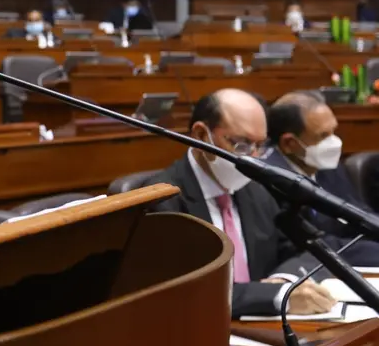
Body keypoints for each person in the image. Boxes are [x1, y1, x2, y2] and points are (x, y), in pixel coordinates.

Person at [144, 89, 336, 318]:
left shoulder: (256, 190)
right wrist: (275, 295)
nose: (252, 158)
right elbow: (182, 292)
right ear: (201, 135)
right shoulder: (162, 202)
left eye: (259, 146)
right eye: (242, 145)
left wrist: (284, 279)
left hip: (265, 331)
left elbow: (303, 251)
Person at [265, 91, 379, 265]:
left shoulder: (324, 165)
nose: (334, 142)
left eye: (334, 131)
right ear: (289, 143)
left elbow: (358, 213)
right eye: (323, 135)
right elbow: (315, 244)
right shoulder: (272, 180)